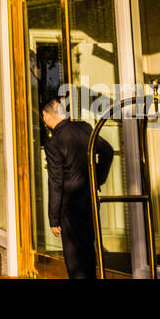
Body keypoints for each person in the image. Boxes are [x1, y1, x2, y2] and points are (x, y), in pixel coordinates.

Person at [42, 96, 115, 279]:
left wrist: (53, 218)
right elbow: (107, 151)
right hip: (90, 199)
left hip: (70, 206)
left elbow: (56, 183)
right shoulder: (84, 128)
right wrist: (96, 179)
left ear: (46, 116)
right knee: (88, 251)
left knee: (74, 258)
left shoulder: (53, 143)